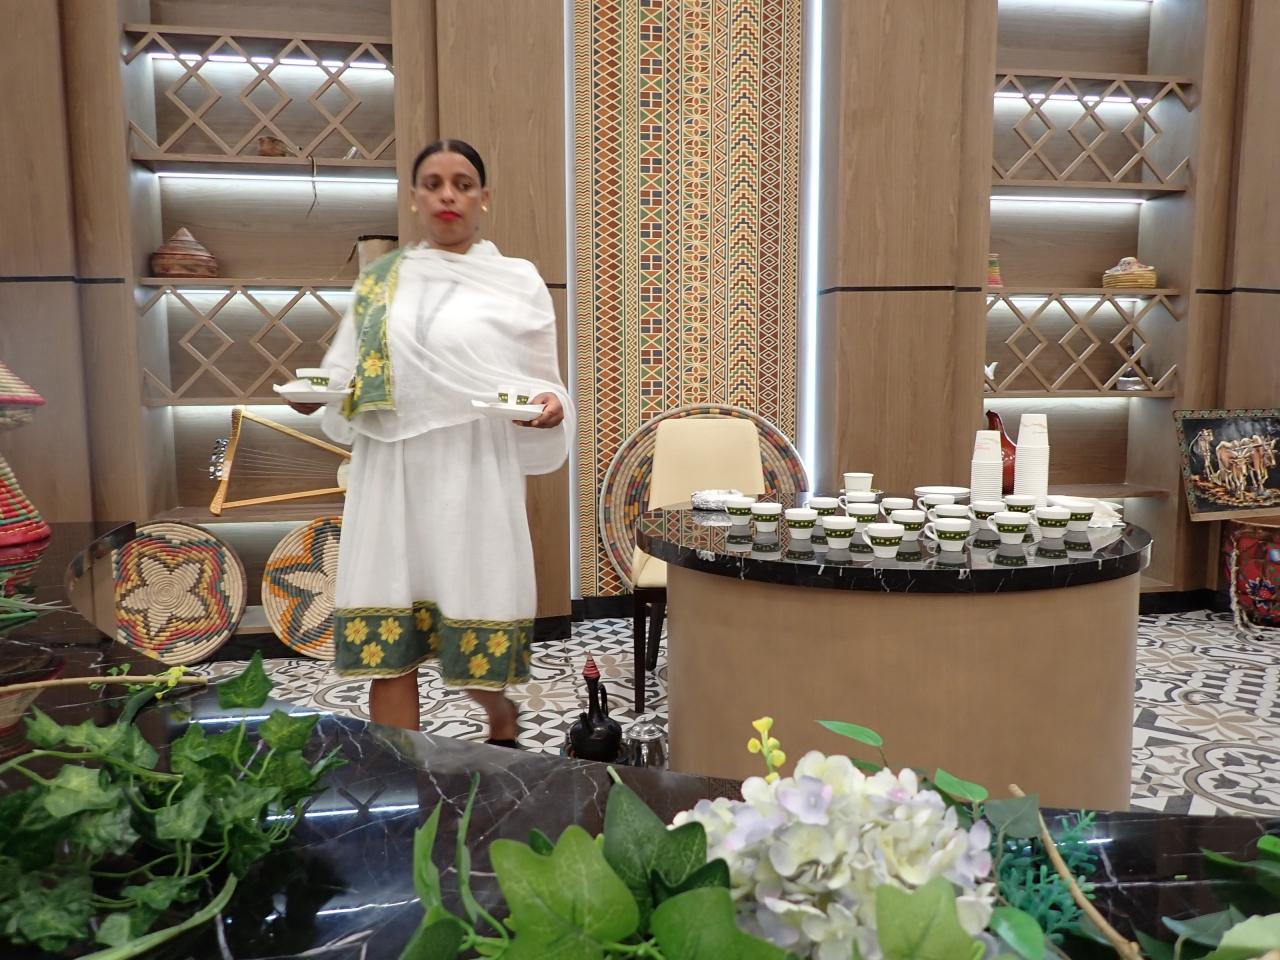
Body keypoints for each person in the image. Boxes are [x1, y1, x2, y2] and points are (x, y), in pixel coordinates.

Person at [285, 139, 570, 744]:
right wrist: (315, 395)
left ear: (483, 198)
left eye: (462, 184)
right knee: (392, 633)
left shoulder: (516, 280)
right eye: (434, 183)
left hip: (473, 467)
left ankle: (499, 716)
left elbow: (542, 381)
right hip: (391, 470)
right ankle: (400, 773)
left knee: (470, 612)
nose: (448, 195)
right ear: (414, 198)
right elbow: (342, 372)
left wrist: (550, 407)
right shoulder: (380, 281)